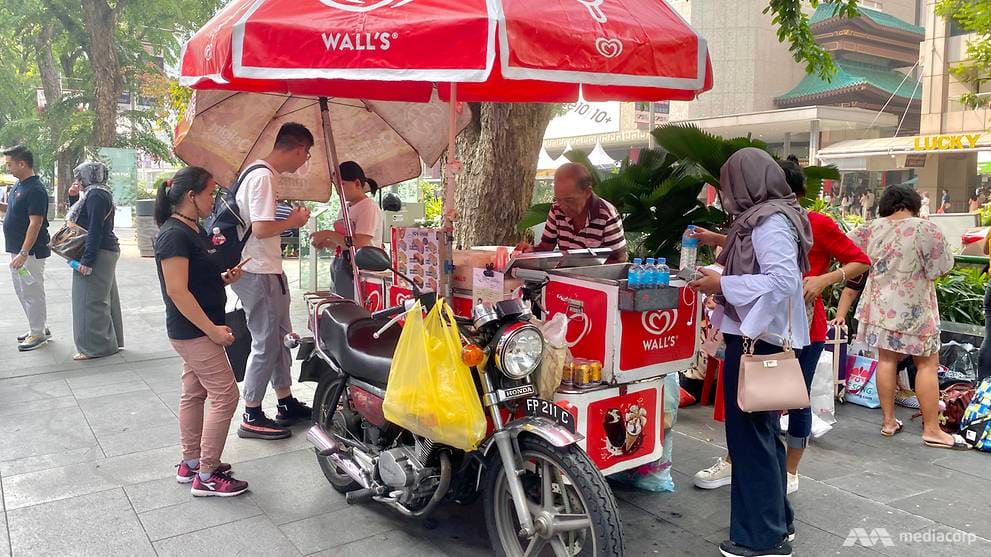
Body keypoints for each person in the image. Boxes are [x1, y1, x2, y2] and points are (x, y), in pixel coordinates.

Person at [690, 160, 870, 496]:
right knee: (753, 408)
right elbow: (756, 247)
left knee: (792, 400)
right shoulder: (761, 220)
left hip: (793, 327)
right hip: (761, 324)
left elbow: (860, 260)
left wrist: (824, 279)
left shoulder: (803, 221)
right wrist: (716, 240)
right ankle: (743, 464)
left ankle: (788, 471)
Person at [688, 148, 812, 557]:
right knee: (762, 437)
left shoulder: (768, 221)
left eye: (728, 185)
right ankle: (779, 522)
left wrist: (721, 287)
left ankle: (761, 538)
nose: (725, 194)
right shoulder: (772, 215)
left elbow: (781, 282)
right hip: (761, 334)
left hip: (757, 338)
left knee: (749, 439)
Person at [841, 185, 967, 449]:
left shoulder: (869, 228)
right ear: (914, 204)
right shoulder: (926, 229)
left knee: (886, 359)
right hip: (915, 307)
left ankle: (888, 421)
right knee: (926, 364)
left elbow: (847, 253)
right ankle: (932, 429)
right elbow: (942, 268)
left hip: (878, 306)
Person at [154, 166, 249, 497]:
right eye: (210, 193)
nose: (214, 200)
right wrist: (212, 331)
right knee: (226, 394)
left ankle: (191, 462)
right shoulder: (173, 235)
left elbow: (193, 280)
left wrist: (223, 279)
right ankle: (207, 474)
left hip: (197, 328)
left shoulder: (191, 229)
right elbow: (177, 291)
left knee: (194, 393)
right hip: (194, 331)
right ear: (191, 196)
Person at [233, 122, 313, 440]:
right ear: (297, 148)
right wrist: (294, 220)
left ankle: (285, 401)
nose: (305, 159)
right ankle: (251, 412)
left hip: (267, 270)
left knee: (281, 339)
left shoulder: (260, 173)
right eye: (306, 153)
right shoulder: (263, 176)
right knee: (266, 343)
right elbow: (262, 227)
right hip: (259, 271)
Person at [67, 162, 124, 360]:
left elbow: (94, 229)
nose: (77, 181)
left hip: (99, 253)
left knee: (88, 300)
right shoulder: (98, 193)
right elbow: (83, 220)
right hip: (104, 252)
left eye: (79, 177)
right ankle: (111, 342)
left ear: (89, 176)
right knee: (105, 298)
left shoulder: (96, 195)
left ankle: (95, 347)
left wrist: (87, 261)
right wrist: (73, 197)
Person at [523, 162, 627, 263]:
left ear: (587, 192)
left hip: (596, 278)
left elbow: (619, 259)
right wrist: (530, 252)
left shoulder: (606, 215)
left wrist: (587, 268)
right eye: (558, 199)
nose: (562, 206)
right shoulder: (556, 209)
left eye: (569, 200)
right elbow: (546, 247)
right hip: (565, 276)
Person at [2, 145, 52, 351]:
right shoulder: (19, 186)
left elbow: (35, 223)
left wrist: (23, 252)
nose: (8, 169)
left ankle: (38, 333)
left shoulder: (35, 189)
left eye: (10, 164)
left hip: (30, 252)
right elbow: (13, 211)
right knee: (22, 290)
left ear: (22, 163)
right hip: (17, 249)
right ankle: (38, 326)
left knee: (32, 291)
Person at [311, 161, 384, 299]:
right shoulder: (345, 207)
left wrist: (328, 234)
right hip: (342, 266)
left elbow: (360, 243)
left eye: (342, 184)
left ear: (357, 183)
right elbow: (345, 243)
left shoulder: (368, 207)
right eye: (336, 185)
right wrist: (327, 243)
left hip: (361, 271)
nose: (338, 189)